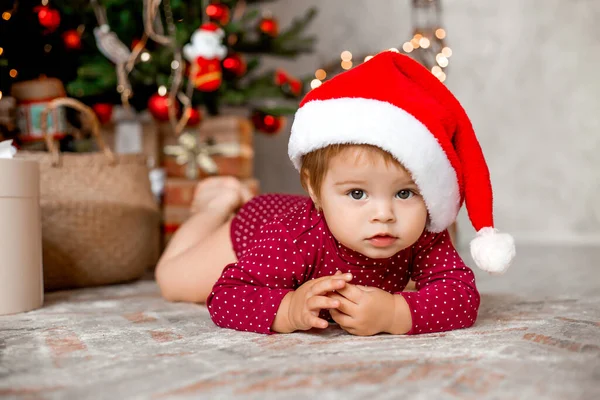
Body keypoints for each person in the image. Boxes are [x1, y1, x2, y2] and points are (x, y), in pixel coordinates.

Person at [155, 50, 516, 336]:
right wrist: (289, 309)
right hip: (258, 225)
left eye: (405, 194)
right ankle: (214, 207)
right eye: (358, 193)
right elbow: (227, 296)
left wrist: (396, 313)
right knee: (172, 281)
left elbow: (462, 297)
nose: (384, 214)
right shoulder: (293, 238)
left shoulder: (425, 235)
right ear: (315, 188)